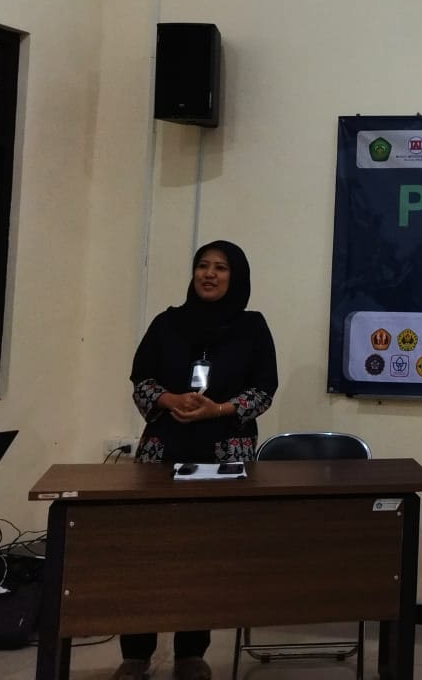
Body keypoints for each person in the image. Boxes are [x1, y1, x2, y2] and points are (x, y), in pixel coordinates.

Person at [111, 240, 278, 680]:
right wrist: (169, 399)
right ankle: (136, 654)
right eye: (202, 265)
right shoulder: (167, 323)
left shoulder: (252, 327)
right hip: (164, 448)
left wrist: (217, 409)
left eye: (221, 268)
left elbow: (264, 390)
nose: (209, 274)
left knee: (204, 552)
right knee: (148, 551)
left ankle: (191, 653)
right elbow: (141, 379)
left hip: (225, 452)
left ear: (235, 277)